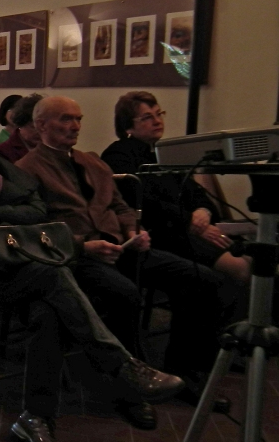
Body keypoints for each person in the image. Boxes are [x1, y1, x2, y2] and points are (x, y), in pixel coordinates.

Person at [0, 101, 184, 442]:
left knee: (48, 312)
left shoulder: (5, 169)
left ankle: (35, 417)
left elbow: (38, 212)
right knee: (53, 274)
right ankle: (122, 365)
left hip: (22, 267)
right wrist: (7, 222)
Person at [16, 96, 240, 410]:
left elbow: (122, 206)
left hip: (121, 247)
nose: (75, 126)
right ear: (41, 125)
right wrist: (85, 245)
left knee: (204, 280)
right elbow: (37, 228)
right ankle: (129, 386)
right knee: (124, 293)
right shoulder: (26, 170)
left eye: (78, 118)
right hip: (78, 255)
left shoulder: (91, 161)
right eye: (65, 119)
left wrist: (134, 231)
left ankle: (185, 371)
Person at [102, 91, 250, 284]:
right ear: (128, 126)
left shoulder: (164, 153)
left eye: (159, 114)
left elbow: (195, 192)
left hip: (189, 230)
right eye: (147, 117)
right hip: (163, 234)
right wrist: (190, 221)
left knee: (256, 259)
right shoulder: (118, 156)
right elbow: (144, 202)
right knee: (239, 269)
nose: (157, 121)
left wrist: (202, 212)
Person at [0, 93, 43, 164]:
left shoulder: (50, 147)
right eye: (33, 127)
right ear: (21, 124)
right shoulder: (4, 151)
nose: (39, 131)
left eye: (42, 126)